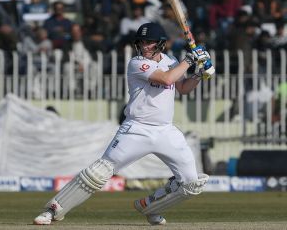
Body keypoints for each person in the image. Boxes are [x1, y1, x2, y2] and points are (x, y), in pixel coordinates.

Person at [33, 22, 210, 226]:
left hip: (166, 131)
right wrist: (190, 59)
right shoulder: (137, 63)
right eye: (142, 43)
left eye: (150, 43)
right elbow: (167, 79)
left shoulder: (171, 61)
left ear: (161, 44)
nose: (145, 47)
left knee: (191, 183)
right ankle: (53, 210)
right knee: (98, 172)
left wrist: (199, 74)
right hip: (136, 129)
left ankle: (149, 206)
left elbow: (183, 88)